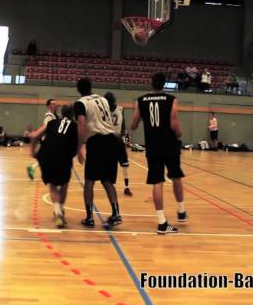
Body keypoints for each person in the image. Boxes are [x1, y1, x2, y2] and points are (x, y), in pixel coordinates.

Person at [130, 72, 185, 234]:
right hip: (169, 144)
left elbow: (134, 124)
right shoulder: (172, 100)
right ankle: (181, 211)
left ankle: (162, 222)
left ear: (151, 83)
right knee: (176, 176)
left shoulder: (141, 100)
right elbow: (174, 124)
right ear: (164, 84)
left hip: (153, 145)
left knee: (157, 181)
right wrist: (179, 134)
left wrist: (140, 119)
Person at [75, 78, 122, 229]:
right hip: (111, 140)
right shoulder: (103, 99)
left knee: (89, 180)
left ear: (78, 90)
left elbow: (82, 124)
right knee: (107, 180)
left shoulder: (81, 103)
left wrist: (80, 147)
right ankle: (116, 214)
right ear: (91, 87)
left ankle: (89, 218)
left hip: (97, 142)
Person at [29, 105, 79, 228]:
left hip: (46, 155)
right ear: (73, 115)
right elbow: (78, 144)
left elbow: (35, 136)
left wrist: (32, 151)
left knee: (53, 185)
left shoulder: (51, 122)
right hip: (63, 156)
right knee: (64, 185)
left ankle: (58, 213)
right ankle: (60, 211)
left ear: (61, 113)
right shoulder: (75, 126)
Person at [104, 92, 132, 197]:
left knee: (119, 164)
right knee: (121, 164)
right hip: (115, 139)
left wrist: (123, 135)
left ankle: (123, 187)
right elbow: (122, 124)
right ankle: (124, 187)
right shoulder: (118, 109)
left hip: (113, 139)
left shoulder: (113, 109)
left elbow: (122, 124)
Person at [26, 98, 58, 179]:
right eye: (53, 104)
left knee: (48, 158)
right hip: (48, 140)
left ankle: (32, 168)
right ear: (49, 106)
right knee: (49, 158)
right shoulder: (49, 116)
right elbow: (45, 128)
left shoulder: (53, 116)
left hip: (51, 140)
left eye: (55, 103)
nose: (55, 105)